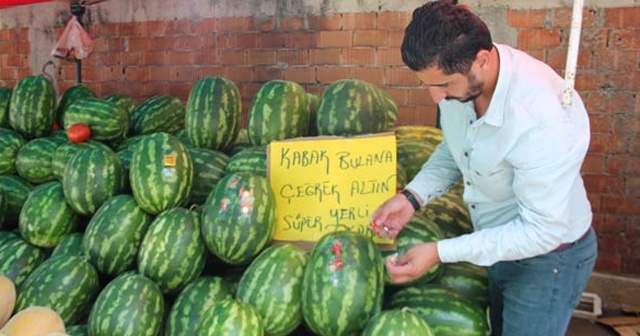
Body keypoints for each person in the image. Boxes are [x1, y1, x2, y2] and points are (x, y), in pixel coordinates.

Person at [371, 1, 597, 335]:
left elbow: (541, 231)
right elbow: (456, 146)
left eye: (444, 85)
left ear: (482, 61)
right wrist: (412, 197)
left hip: (549, 261)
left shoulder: (543, 120)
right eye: (428, 85)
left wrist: (438, 252)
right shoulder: (462, 81)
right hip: (498, 246)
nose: (436, 98)